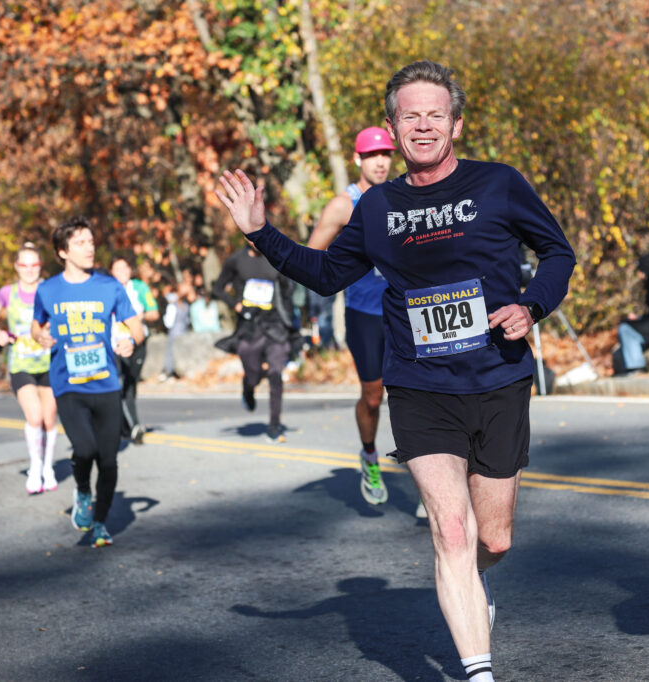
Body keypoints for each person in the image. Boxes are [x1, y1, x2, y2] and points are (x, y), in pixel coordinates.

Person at [216, 60, 576, 682]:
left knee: (493, 541)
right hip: (418, 383)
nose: (424, 125)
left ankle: (471, 584)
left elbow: (557, 252)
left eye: (436, 113)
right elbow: (328, 273)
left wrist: (531, 305)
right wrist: (260, 232)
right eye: (410, 115)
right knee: (452, 531)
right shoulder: (379, 206)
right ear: (393, 126)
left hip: (497, 377)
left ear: (457, 124)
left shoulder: (499, 184)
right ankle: (479, 671)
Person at [31, 216, 144, 547]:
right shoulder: (48, 290)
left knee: (108, 461)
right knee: (85, 449)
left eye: (91, 242)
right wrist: (40, 337)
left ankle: (100, 522)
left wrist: (130, 342)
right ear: (62, 251)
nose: (89, 247)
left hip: (107, 384)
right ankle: (82, 489)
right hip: (68, 386)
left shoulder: (110, 286)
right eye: (80, 242)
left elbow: (135, 326)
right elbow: (36, 326)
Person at [307, 126, 395, 506]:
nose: (381, 161)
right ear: (357, 160)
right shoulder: (344, 205)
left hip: (407, 310)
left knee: (417, 395)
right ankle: (370, 455)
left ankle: (430, 473)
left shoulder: (404, 196)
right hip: (364, 314)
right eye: (373, 155)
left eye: (386, 154)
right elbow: (311, 257)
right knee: (373, 398)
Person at [0, 242, 60, 494]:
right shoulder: (8, 292)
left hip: (49, 361)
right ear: (17, 267)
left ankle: (48, 467)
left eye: (34, 265)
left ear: (41, 266)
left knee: (49, 419)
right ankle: (35, 467)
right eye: (24, 265)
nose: (29, 270)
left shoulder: (50, 289)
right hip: (21, 364)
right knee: (34, 416)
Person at [213, 243, 296, 443]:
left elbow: (288, 289)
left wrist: (288, 318)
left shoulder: (275, 257)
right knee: (253, 374)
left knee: (276, 373)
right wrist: (237, 306)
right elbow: (217, 288)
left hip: (274, 326)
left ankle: (274, 426)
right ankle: (248, 387)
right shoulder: (236, 260)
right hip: (249, 328)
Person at [110, 255, 160, 444]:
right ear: (111, 272)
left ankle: (126, 423)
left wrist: (139, 316)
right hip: (116, 345)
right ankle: (133, 426)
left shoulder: (139, 287)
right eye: (117, 269)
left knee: (131, 384)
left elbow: (154, 313)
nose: (122, 273)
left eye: (125, 268)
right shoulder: (107, 289)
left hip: (137, 342)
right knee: (119, 383)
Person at [158, 280, 189, 382]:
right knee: (175, 352)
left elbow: (169, 322)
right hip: (179, 332)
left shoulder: (178, 305)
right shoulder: (180, 304)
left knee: (173, 353)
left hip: (178, 333)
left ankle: (172, 373)